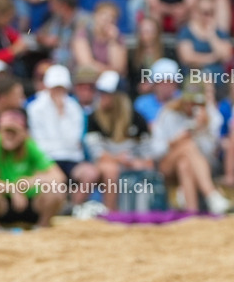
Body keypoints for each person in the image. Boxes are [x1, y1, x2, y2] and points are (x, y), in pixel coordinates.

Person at [0, 109, 68, 228]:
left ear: (23, 133)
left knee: (56, 188)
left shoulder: (29, 145)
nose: (9, 136)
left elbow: (59, 176)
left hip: (31, 203)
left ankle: (42, 227)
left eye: (14, 132)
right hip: (4, 204)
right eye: (6, 131)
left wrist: (31, 181)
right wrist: (13, 189)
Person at [151, 81, 230, 214]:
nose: (193, 106)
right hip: (167, 166)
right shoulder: (168, 113)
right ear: (184, 99)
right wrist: (176, 141)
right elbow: (156, 150)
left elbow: (210, 154)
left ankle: (191, 214)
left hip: (197, 166)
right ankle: (212, 195)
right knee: (187, 146)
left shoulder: (211, 116)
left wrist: (201, 129)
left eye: (198, 102)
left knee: (184, 164)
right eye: (191, 101)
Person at [81, 71, 154, 211]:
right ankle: (111, 214)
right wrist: (119, 159)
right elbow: (98, 154)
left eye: (106, 93)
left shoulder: (137, 119)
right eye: (100, 93)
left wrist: (135, 162)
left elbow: (148, 158)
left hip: (130, 165)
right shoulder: (94, 119)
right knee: (110, 169)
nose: (101, 97)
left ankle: (140, 215)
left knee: (141, 172)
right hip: (104, 165)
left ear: (118, 97)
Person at [26, 65, 94, 182]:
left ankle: (76, 201)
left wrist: (61, 114)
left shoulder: (74, 107)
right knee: (54, 177)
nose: (58, 91)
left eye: (61, 88)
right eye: (55, 87)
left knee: (90, 174)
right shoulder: (35, 108)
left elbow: (74, 141)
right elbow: (38, 141)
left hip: (71, 158)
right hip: (47, 158)